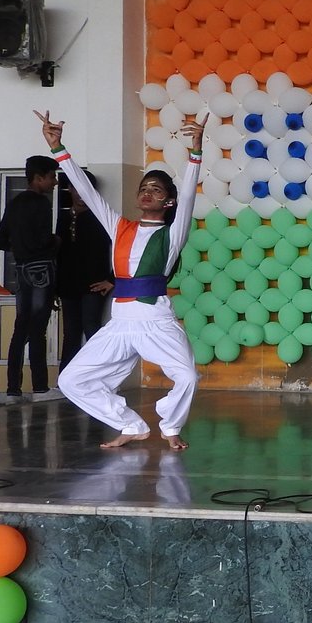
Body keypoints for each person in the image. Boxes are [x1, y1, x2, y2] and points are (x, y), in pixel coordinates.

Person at [37, 109, 206, 449]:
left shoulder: (172, 234)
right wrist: (58, 148)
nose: (148, 192)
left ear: (168, 201)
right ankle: (129, 424)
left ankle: (170, 426)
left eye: (156, 189)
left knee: (187, 376)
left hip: (156, 321)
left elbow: (188, 198)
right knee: (71, 380)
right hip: (120, 323)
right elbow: (87, 192)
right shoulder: (119, 227)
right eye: (144, 188)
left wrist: (196, 153)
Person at [0, 153, 59, 401]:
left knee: (20, 329)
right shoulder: (41, 204)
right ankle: (40, 388)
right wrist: (56, 242)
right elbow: (43, 241)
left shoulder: (15, 202)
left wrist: (19, 247)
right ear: (39, 178)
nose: (55, 182)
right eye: (52, 177)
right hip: (42, 270)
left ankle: (13, 389)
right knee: (37, 330)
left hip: (21, 270)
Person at [55, 168, 115, 369]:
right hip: (68, 285)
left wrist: (111, 280)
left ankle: (98, 376)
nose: (81, 195)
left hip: (93, 284)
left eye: (86, 190)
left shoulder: (101, 219)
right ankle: (66, 379)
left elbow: (123, 250)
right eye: (77, 189)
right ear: (70, 189)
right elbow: (59, 254)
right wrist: (55, 287)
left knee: (92, 329)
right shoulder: (63, 218)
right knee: (70, 333)